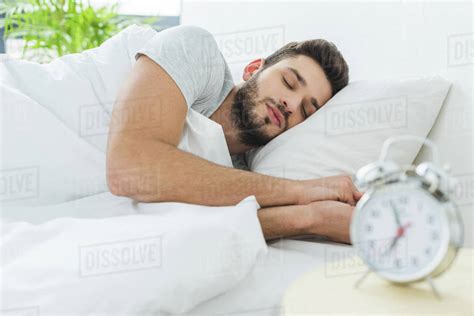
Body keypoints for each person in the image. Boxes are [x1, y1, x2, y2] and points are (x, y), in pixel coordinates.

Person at [106, 25, 361, 244]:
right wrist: (302, 191)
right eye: (288, 82)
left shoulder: (245, 179)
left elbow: (197, 234)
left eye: (305, 111)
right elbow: (130, 169)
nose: (290, 105)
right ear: (252, 69)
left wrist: (311, 217)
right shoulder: (198, 53)